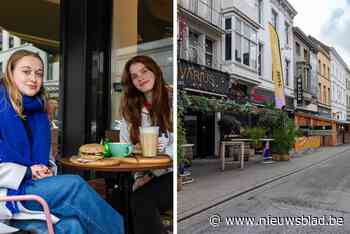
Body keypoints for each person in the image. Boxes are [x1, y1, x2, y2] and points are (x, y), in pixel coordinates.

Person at [0, 49, 124, 234]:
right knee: (74, 185)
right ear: (10, 73)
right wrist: (27, 171)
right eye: (26, 71)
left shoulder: (38, 113)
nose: (33, 78)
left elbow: (46, 160)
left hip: (33, 188)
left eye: (39, 73)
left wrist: (46, 169)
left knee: (72, 225)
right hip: (9, 193)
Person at [119, 55, 173, 234]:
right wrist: (139, 174)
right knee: (128, 201)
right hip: (145, 175)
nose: (140, 77)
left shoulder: (172, 100)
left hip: (171, 174)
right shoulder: (130, 109)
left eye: (144, 71)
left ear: (155, 71)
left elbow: (176, 148)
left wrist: (150, 175)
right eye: (134, 76)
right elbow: (125, 147)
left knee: (141, 200)